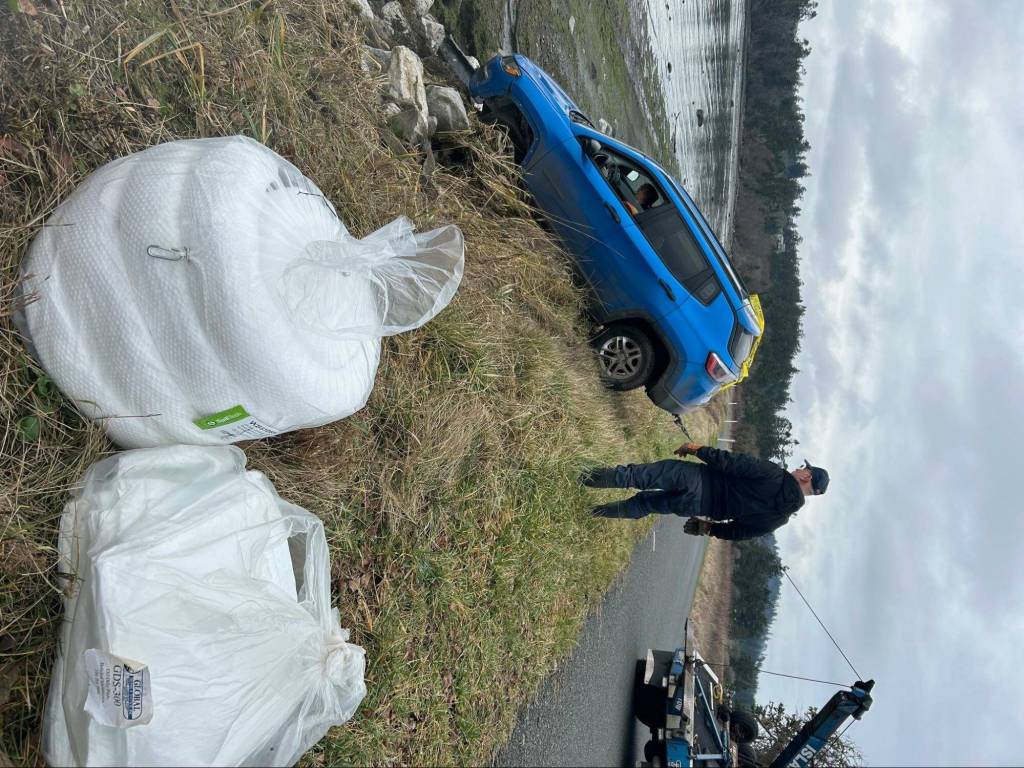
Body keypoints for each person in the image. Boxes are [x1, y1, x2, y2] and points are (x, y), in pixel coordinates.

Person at [580, 443, 829, 541]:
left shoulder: (776, 475)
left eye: (803, 468)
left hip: (696, 478)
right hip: (697, 507)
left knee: (636, 476)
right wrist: (709, 528)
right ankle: (591, 511)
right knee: (645, 505)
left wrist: (697, 449)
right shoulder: (779, 518)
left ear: (807, 476)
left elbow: (732, 462)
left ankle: (579, 477)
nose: (798, 468)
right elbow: (740, 531)